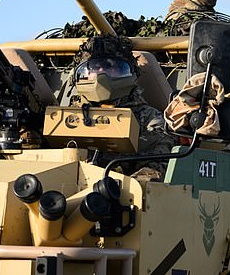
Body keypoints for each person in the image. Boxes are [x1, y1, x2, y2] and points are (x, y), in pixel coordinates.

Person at [69, 34, 176, 182]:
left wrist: (119, 188)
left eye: (110, 67)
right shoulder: (69, 117)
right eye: (94, 67)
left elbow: (156, 168)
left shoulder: (149, 119)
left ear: (129, 72)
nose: (101, 73)